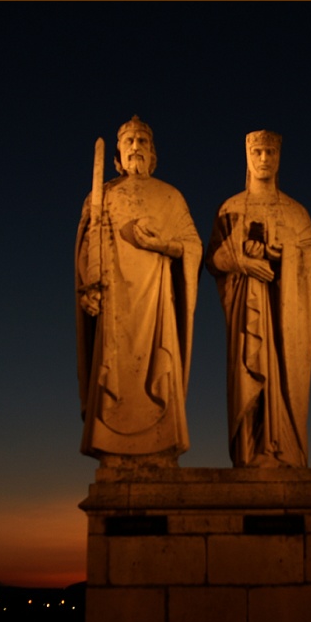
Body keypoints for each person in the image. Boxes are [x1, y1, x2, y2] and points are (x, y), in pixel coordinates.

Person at [74, 116, 203, 465]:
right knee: (114, 371)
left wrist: (162, 244)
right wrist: (88, 286)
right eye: (129, 141)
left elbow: (192, 245)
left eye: (142, 141)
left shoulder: (170, 196)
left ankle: (160, 446)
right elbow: (87, 247)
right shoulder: (103, 195)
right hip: (116, 301)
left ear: (153, 153)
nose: (135, 147)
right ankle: (113, 449)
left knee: (158, 369)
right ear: (117, 154)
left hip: (156, 302)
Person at [205, 130, 311, 467]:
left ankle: (282, 449)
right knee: (249, 375)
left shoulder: (295, 212)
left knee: (281, 380)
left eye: (270, 152)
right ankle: (251, 450)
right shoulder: (230, 208)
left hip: (283, 319)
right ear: (247, 155)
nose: (264, 158)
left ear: (279, 157)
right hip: (247, 317)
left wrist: (284, 253)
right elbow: (213, 260)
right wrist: (242, 261)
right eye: (257, 151)